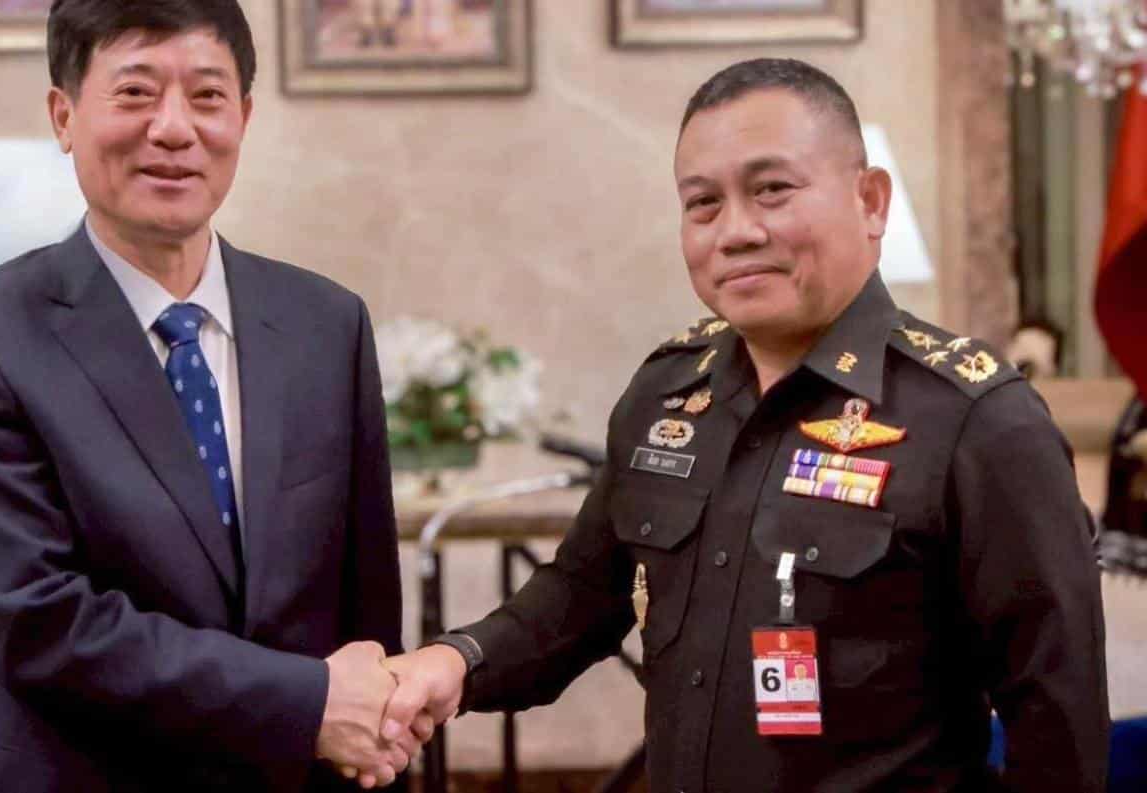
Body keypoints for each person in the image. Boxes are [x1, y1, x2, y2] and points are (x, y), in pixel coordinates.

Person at [376, 58, 1110, 791]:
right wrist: (455, 662)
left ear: (870, 201)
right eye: (703, 204)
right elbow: (581, 594)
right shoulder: (667, 393)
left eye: (772, 190)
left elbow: (1056, 715)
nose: (735, 232)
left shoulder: (977, 419)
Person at [0, 1, 425, 790]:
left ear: (244, 116)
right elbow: (38, 625)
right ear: (64, 115)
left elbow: (366, 612)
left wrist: (368, 730)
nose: (175, 128)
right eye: (136, 93)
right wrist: (306, 701)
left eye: (208, 95)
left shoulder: (327, 324)